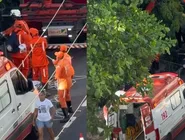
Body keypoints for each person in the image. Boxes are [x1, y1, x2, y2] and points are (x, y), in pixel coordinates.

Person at [53, 51, 74, 123]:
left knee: (61, 99)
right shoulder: (67, 62)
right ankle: (70, 108)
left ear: (58, 57)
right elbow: (72, 72)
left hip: (62, 82)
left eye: (56, 56)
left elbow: (57, 76)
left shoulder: (59, 65)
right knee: (67, 94)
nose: (56, 57)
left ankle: (66, 116)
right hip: (69, 80)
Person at [59, 45, 74, 113]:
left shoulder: (60, 57)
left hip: (62, 80)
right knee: (67, 93)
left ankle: (66, 114)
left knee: (61, 97)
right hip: (69, 78)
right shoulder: (68, 57)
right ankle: (70, 108)